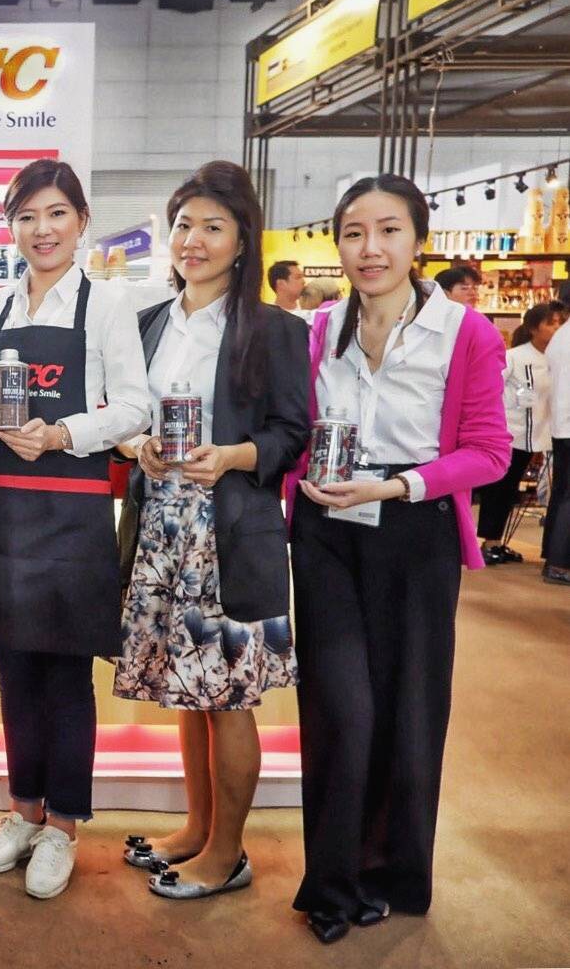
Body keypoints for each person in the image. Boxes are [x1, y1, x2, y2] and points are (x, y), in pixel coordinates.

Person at [286, 173, 511, 943]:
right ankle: (331, 882)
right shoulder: (320, 328)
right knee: (339, 708)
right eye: (354, 233)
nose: (370, 248)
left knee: (410, 710)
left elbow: (489, 452)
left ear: (419, 240)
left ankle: (389, 873)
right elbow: (296, 430)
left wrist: (397, 484)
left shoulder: (464, 333)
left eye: (388, 231)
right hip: (326, 531)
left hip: (415, 532)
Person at [112, 160, 310, 900]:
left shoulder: (276, 330)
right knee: (188, 690)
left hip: (229, 531)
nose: (192, 240)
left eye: (212, 227)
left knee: (227, 697)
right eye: (183, 225)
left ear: (242, 240)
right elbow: (123, 417)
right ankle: (197, 829)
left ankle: (226, 854)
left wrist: (231, 456)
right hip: (159, 526)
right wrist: (138, 445)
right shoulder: (147, 323)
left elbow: (292, 433)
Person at [0, 160, 150, 899]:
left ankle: (63, 826)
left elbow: (134, 407)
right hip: (2, 508)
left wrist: (63, 433)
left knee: (66, 675)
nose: (42, 230)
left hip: (71, 511)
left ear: (81, 221)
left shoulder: (107, 304)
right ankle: (23, 811)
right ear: (11, 226)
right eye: (28, 216)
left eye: (57, 214)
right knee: (13, 671)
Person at [478, 302, 565, 564]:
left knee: (518, 492)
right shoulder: (514, 356)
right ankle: (491, 542)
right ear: (533, 328)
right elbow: (490, 389)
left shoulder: (558, 357)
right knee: (500, 490)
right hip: (510, 434)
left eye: (560, 322)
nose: (557, 328)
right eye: (551, 323)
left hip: (544, 435)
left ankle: (500, 542)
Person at [543, 299, 570, 585]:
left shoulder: (560, 336)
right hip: (567, 423)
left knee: (562, 492)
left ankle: (552, 555)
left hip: (561, 425)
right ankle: (560, 563)